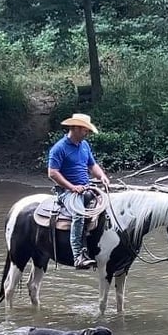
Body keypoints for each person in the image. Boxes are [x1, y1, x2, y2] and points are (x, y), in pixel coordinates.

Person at [48, 113, 110, 269]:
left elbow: (92, 165)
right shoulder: (59, 148)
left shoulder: (84, 146)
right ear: (75, 128)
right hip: (67, 192)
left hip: (86, 187)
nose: (87, 133)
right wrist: (72, 187)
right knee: (79, 213)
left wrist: (102, 176)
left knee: (107, 206)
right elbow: (52, 173)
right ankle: (78, 255)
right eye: (85, 130)